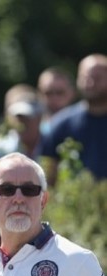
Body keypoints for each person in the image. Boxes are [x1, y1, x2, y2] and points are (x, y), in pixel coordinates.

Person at [42, 53, 107, 184]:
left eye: (97, 78)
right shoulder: (61, 124)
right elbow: (48, 176)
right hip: (75, 202)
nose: (90, 83)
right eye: (85, 77)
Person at [0, 84, 44, 162]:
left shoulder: (52, 146)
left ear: (39, 117)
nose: (21, 122)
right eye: (17, 117)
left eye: (27, 117)